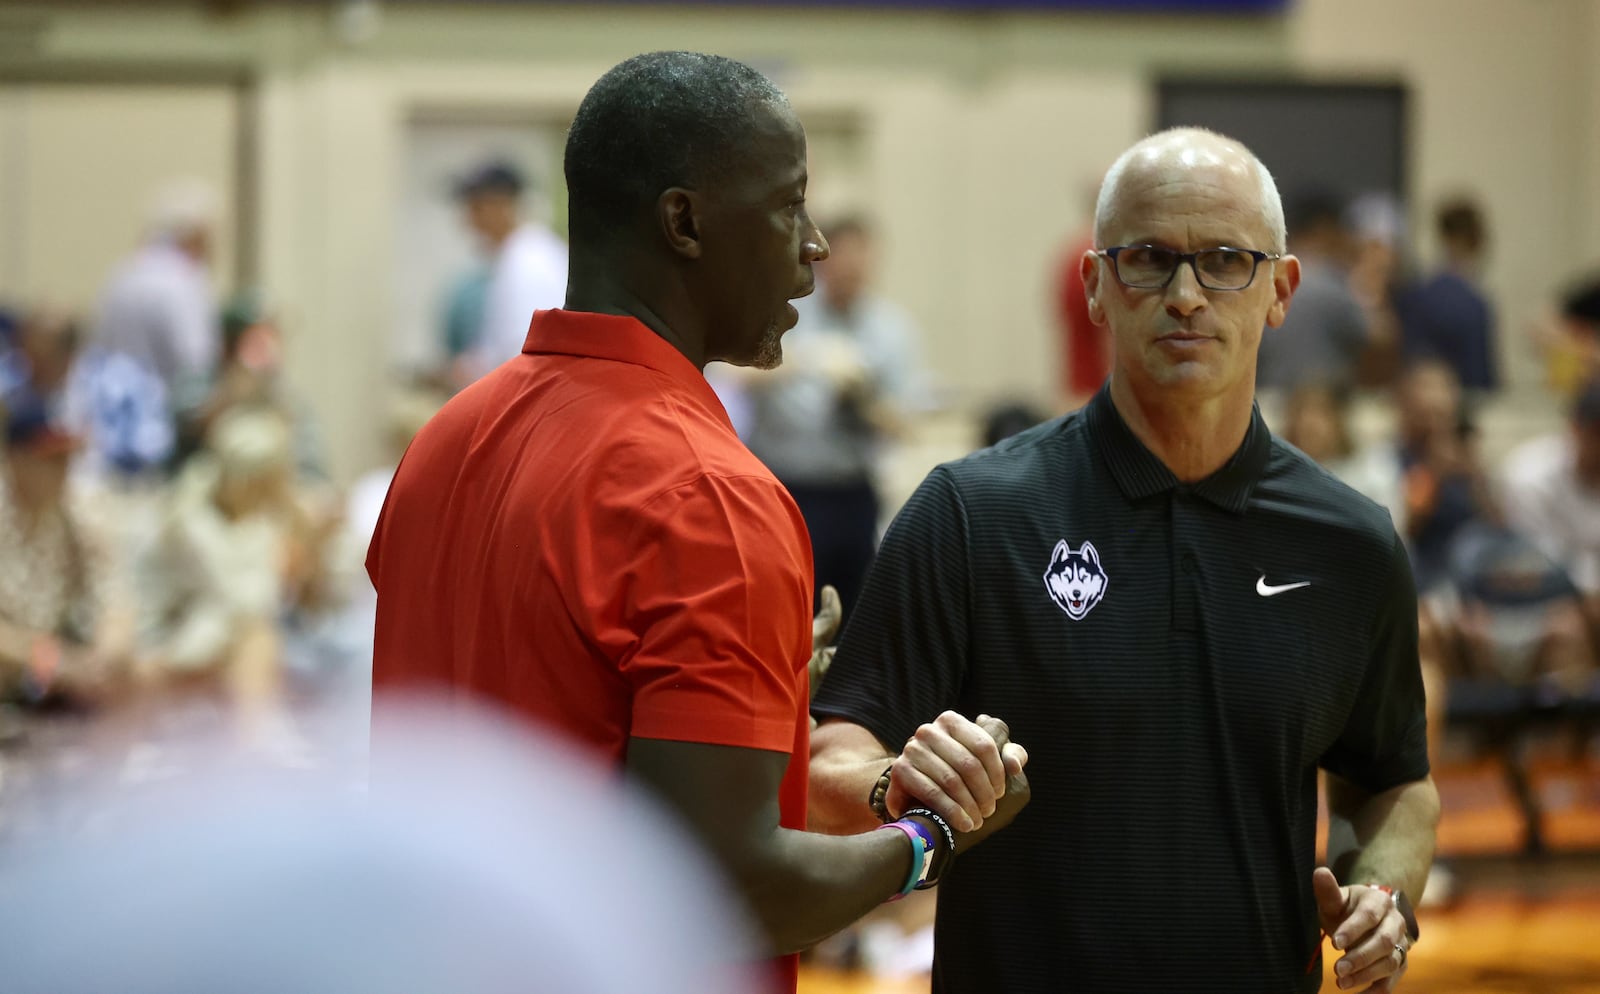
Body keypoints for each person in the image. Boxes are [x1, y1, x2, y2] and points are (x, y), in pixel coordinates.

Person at [366, 52, 1029, 991]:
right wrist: (932, 837)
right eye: (789, 203)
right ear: (685, 222)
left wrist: (722, 677)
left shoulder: (446, 437)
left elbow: (541, 690)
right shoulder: (711, 499)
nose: (816, 244)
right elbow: (729, 891)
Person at [810, 127, 1440, 994]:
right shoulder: (971, 512)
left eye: (1225, 260)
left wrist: (1382, 892)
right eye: (1148, 258)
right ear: (1097, 286)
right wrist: (897, 782)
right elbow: (827, 756)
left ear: (1282, 289)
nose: (1186, 295)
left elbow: (1394, 780)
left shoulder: (1352, 544)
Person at [743, 214, 930, 618]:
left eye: (861, 257)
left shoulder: (891, 329)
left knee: (852, 613)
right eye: (843, 256)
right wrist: (805, 361)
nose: (852, 267)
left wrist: (862, 397)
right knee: (785, 609)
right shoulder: (784, 314)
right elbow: (731, 374)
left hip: (851, 491)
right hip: (785, 486)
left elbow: (904, 424)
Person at [450, 160, 569, 386]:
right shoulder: (517, 255)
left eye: (477, 207)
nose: (469, 219)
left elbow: (527, 356)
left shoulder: (531, 262)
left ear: (503, 205)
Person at [1395, 196, 1498, 396]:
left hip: (1418, 397)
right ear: (1476, 240)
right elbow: (1479, 374)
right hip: (1458, 402)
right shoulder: (1472, 303)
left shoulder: (1415, 292)